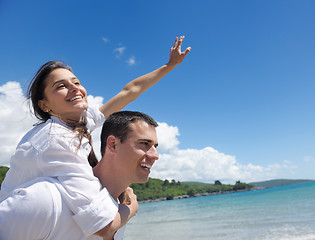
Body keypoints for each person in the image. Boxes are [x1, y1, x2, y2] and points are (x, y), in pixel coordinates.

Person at [0, 36, 190, 238]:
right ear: (45, 106)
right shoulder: (56, 139)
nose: (74, 87)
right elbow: (103, 226)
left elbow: (130, 91)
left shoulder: (78, 122)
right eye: (60, 86)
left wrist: (169, 65)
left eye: (76, 82)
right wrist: (131, 209)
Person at [0, 111, 159, 240]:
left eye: (155, 146)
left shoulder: (118, 210)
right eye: (145, 144)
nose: (155, 155)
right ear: (113, 144)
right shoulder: (47, 199)